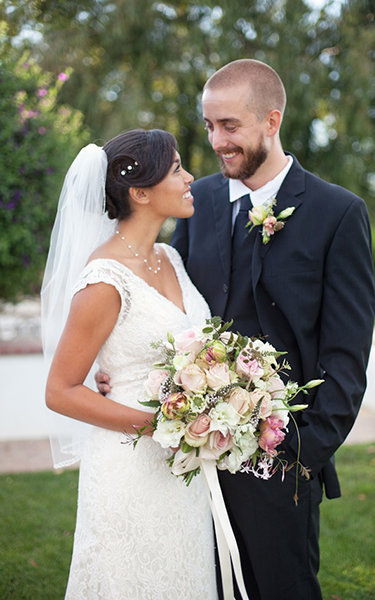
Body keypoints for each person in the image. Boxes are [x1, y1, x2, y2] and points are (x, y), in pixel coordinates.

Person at [169, 60, 375, 599]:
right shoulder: (197, 202)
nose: (217, 141)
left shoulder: (337, 213)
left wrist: (300, 459)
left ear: (271, 120)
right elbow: (168, 307)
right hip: (194, 457)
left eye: (230, 126)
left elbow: (347, 357)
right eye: (210, 125)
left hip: (281, 467)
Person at [42, 129, 218, 599]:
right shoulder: (104, 279)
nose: (190, 178)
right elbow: (60, 391)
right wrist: (160, 425)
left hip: (183, 466)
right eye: (177, 169)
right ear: (139, 192)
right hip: (130, 466)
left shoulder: (171, 258)